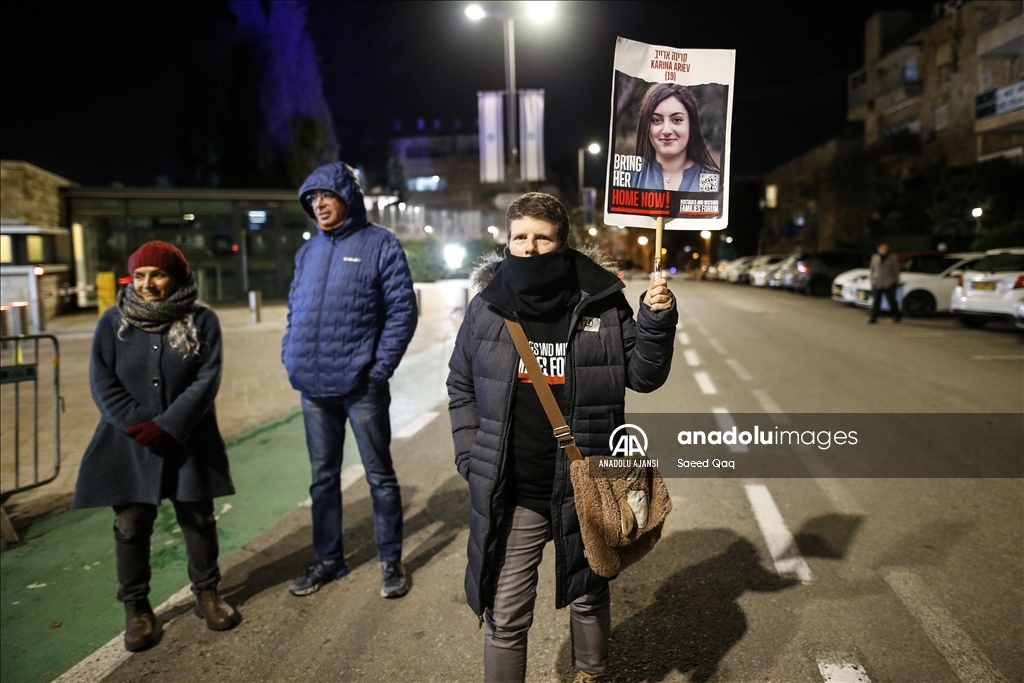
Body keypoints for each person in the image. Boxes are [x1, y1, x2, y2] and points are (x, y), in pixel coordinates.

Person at [447, 193, 677, 683]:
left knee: (589, 596)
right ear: (508, 242)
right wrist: (471, 455)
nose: (530, 247)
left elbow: (643, 375)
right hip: (516, 489)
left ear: (562, 241)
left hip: (587, 483)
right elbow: (461, 385)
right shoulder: (487, 309)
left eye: (542, 237)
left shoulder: (601, 299)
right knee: (505, 614)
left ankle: (590, 676)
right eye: (520, 237)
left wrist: (656, 320)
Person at [73, 241, 240, 653]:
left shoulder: (203, 321)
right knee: (130, 525)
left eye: (158, 274)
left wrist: (171, 426)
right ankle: (137, 608)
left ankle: (207, 594)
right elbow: (102, 381)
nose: (147, 283)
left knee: (198, 518)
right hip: (128, 443)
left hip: (189, 440)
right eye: (141, 275)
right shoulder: (112, 322)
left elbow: (207, 379)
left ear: (178, 278)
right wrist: (138, 424)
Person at [282, 162, 418, 599]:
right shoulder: (308, 252)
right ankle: (328, 559)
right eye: (311, 199)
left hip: (361, 386)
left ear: (347, 197)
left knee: (379, 476)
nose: (318, 205)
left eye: (326, 196)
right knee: (323, 479)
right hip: (313, 389)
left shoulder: (381, 244)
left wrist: (379, 369)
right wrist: (291, 355)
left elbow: (402, 312)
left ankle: (390, 562)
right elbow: (294, 310)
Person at [631, 83, 722, 193]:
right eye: (656, 120)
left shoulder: (711, 179)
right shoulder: (631, 176)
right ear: (646, 126)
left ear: (691, 124)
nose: (667, 131)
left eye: (677, 120)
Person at [869, 241, 901, 323]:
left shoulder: (893, 257)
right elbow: (872, 269)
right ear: (878, 249)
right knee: (876, 301)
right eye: (882, 248)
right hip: (877, 282)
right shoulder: (874, 257)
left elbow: (896, 270)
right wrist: (872, 280)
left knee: (892, 300)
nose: (883, 250)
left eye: (885, 248)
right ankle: (873, 318)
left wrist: (895, 281)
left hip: (889, 282)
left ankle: (896, 316)